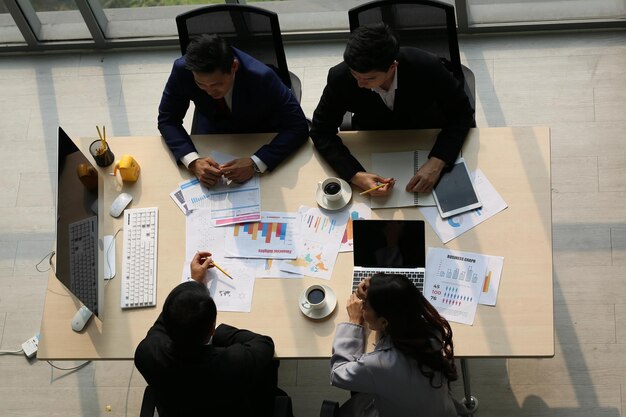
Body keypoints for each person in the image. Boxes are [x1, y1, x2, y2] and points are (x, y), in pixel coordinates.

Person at [310, 23, 475, 196]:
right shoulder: (340, 77)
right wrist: (355, 174)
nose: (359, 83)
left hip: (426, 135)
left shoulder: (426, 66)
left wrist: (438, 161)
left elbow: (461, 114)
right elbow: (321, 130)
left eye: (369, 78)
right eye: (354, 74)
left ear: (392, 66)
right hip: (373, 142)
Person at [134, 251, 281, 417]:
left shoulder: (147, 354)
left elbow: (166, 320)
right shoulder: (233, 363)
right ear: (211, 329)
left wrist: (195, 283)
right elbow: (264, 344)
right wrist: (220, 333)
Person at [158, 34, 309, 187]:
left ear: (234, 66)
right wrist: (192, 161)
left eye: (217, 84)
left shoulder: (262, 77)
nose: (209, 91)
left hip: (256, 131)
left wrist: (255, 163)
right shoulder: (182, 70)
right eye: (201, 84)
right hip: (212, 129)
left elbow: (298, 126)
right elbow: (168, 119)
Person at [330, 273, 460, 417]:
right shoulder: (433, 332)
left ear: (385, 322)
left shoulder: (379, 364)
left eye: (365, 306)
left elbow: (338, 374)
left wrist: (354, 322)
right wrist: (378, 292)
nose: (362, 307)